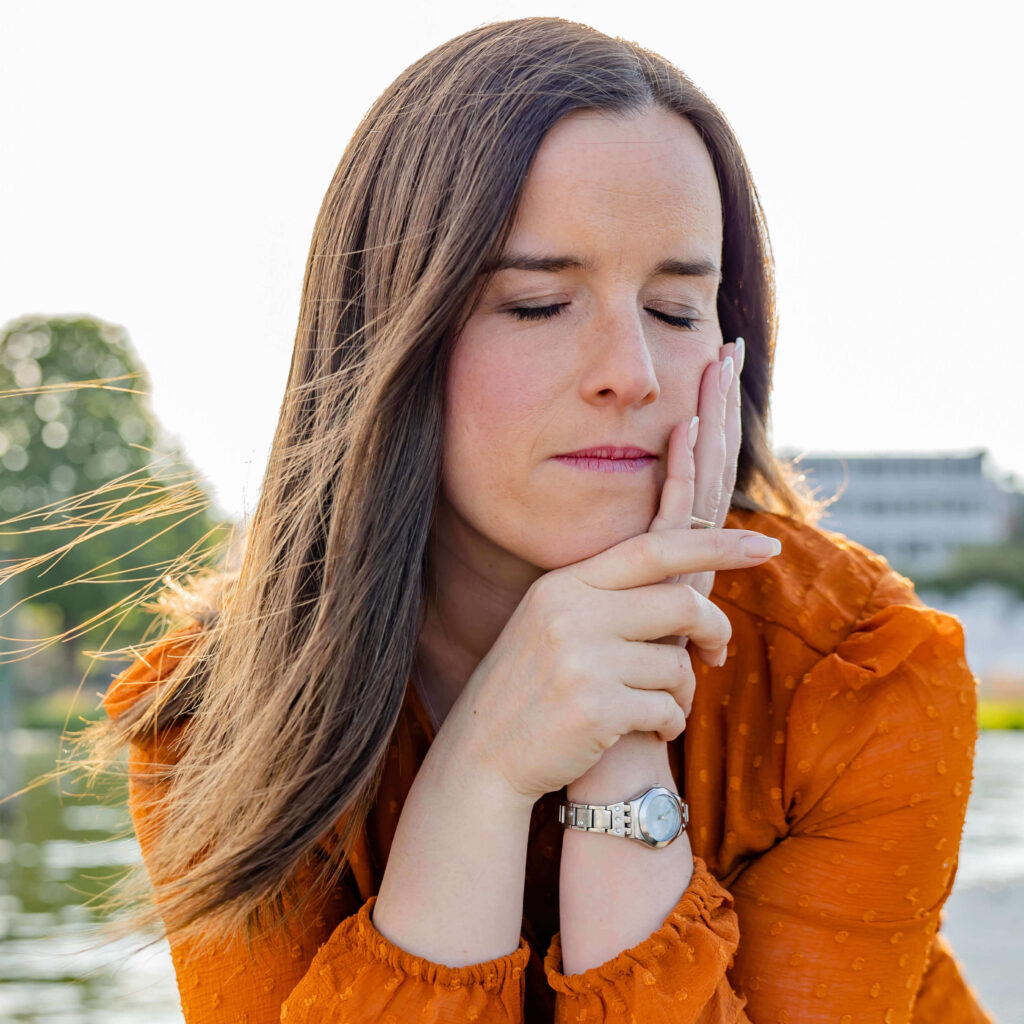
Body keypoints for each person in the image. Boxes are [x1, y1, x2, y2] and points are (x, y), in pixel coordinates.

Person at [94, 16, 993, 1023]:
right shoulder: (219, 724)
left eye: (676, 307)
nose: (632, 374)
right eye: (534, 304)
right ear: (387, 337)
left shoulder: (858, 676)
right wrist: (475, 780)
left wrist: (623, 742)